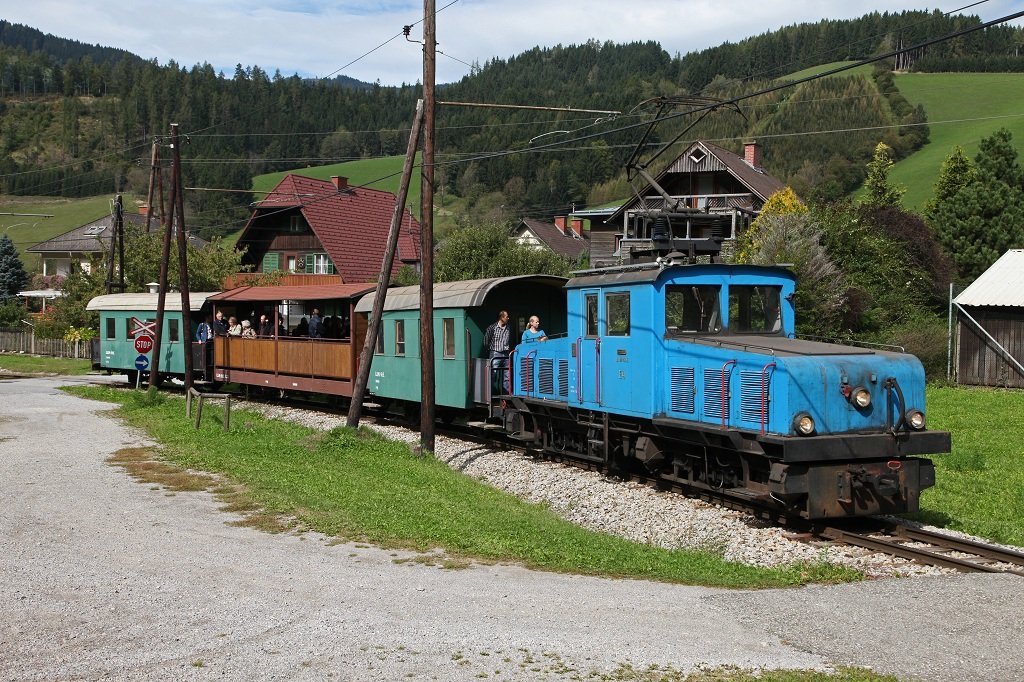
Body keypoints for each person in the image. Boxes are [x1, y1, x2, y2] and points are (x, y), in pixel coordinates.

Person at [483, 310, 511, 393]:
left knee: (507, 374)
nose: (508, 318)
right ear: (502, 317)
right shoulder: (492, 327)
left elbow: (511, 339)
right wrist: (490, 349)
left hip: (506, 353)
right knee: (493, 373)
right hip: (495, 353)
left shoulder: (509, 327)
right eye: (506, 317)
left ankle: (506, 393)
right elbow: (486, 340)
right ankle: (491, 393)